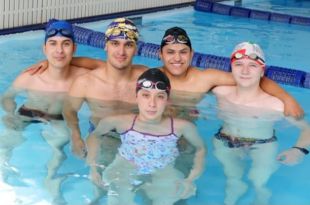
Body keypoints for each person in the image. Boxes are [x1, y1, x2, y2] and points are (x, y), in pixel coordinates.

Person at [0, 19, 91, 204]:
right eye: (53, 44)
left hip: (59, 118)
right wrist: (9, 113)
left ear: (74, 49)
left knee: (59, 144)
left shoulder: (83, 77)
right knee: (6, 141)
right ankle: (4, 174)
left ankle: (51, 178)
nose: (59, 51)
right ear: (44, 49)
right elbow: (7, 97)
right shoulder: (30, 76)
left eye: (66, 44)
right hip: (27, 112)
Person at [86, 69, 206, 205]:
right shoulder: (119, 122)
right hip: (125, 166)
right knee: (117, 196)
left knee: (172, 194)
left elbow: (200, 148)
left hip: (164, 169)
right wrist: (93, 168)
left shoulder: (181, 127)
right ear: (136, 97)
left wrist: (190, 179)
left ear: (167, 99)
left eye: (160, 96)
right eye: (146, 95)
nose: (152, 104)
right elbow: (94, 135)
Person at [211, 42, 310, 205]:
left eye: (252, 66)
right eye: (238, 65)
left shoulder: (276, 105)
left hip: (262, 144)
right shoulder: (219, 92)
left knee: (258, 181)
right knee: (232, 177)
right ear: (231, 68)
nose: (244, 71)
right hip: (224, 139)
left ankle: (261, 194)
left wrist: (298, 150)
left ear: (262, 71)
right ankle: (235, 188)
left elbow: (307, 129)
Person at [62, 18, 148, 158]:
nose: (121, 52)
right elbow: (69, 110)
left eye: (128, 45)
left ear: (136, 49)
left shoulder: (146, 79)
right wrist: (76, 136)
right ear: (106, 45)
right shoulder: (85, 82)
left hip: (139, 136)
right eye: (115, 43)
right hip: (103, 135)